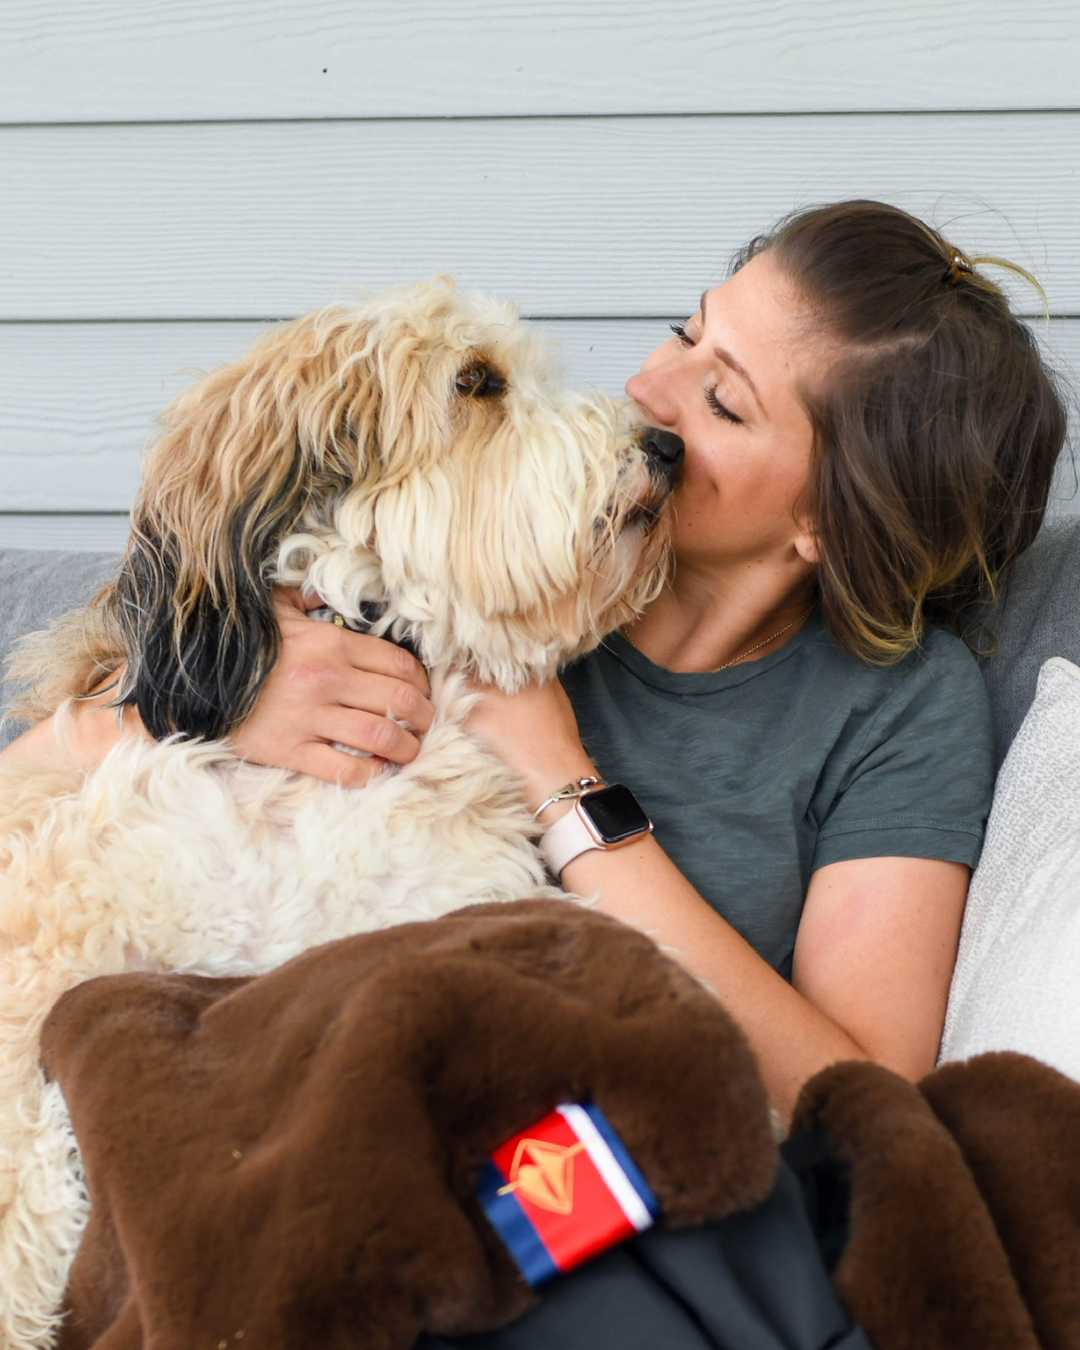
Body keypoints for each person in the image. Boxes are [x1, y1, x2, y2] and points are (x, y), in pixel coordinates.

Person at [8, 200, 1066, 1126]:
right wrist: (207, 705)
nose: (647, 391)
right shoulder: (455, 543)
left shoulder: (897, 707)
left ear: (830, 522)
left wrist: (564, 787)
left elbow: (863, 1105)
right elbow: (37, 826)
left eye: (723, 400)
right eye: (683, 334)